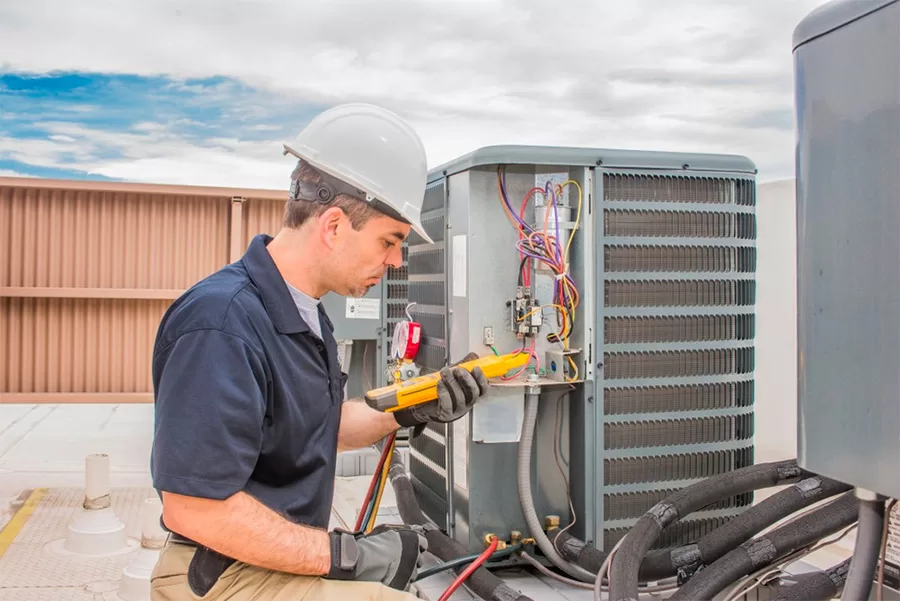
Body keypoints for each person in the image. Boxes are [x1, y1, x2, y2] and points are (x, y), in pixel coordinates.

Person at [148, 103, 490, 601]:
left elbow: (318, 429)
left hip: (265, 559)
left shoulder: (302, 313)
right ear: (333, 226)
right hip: (220, 574)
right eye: (390, 241)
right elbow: (195, 507)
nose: (395, 261)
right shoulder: (222, 325)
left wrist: (416, 403)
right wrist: (343, 556)